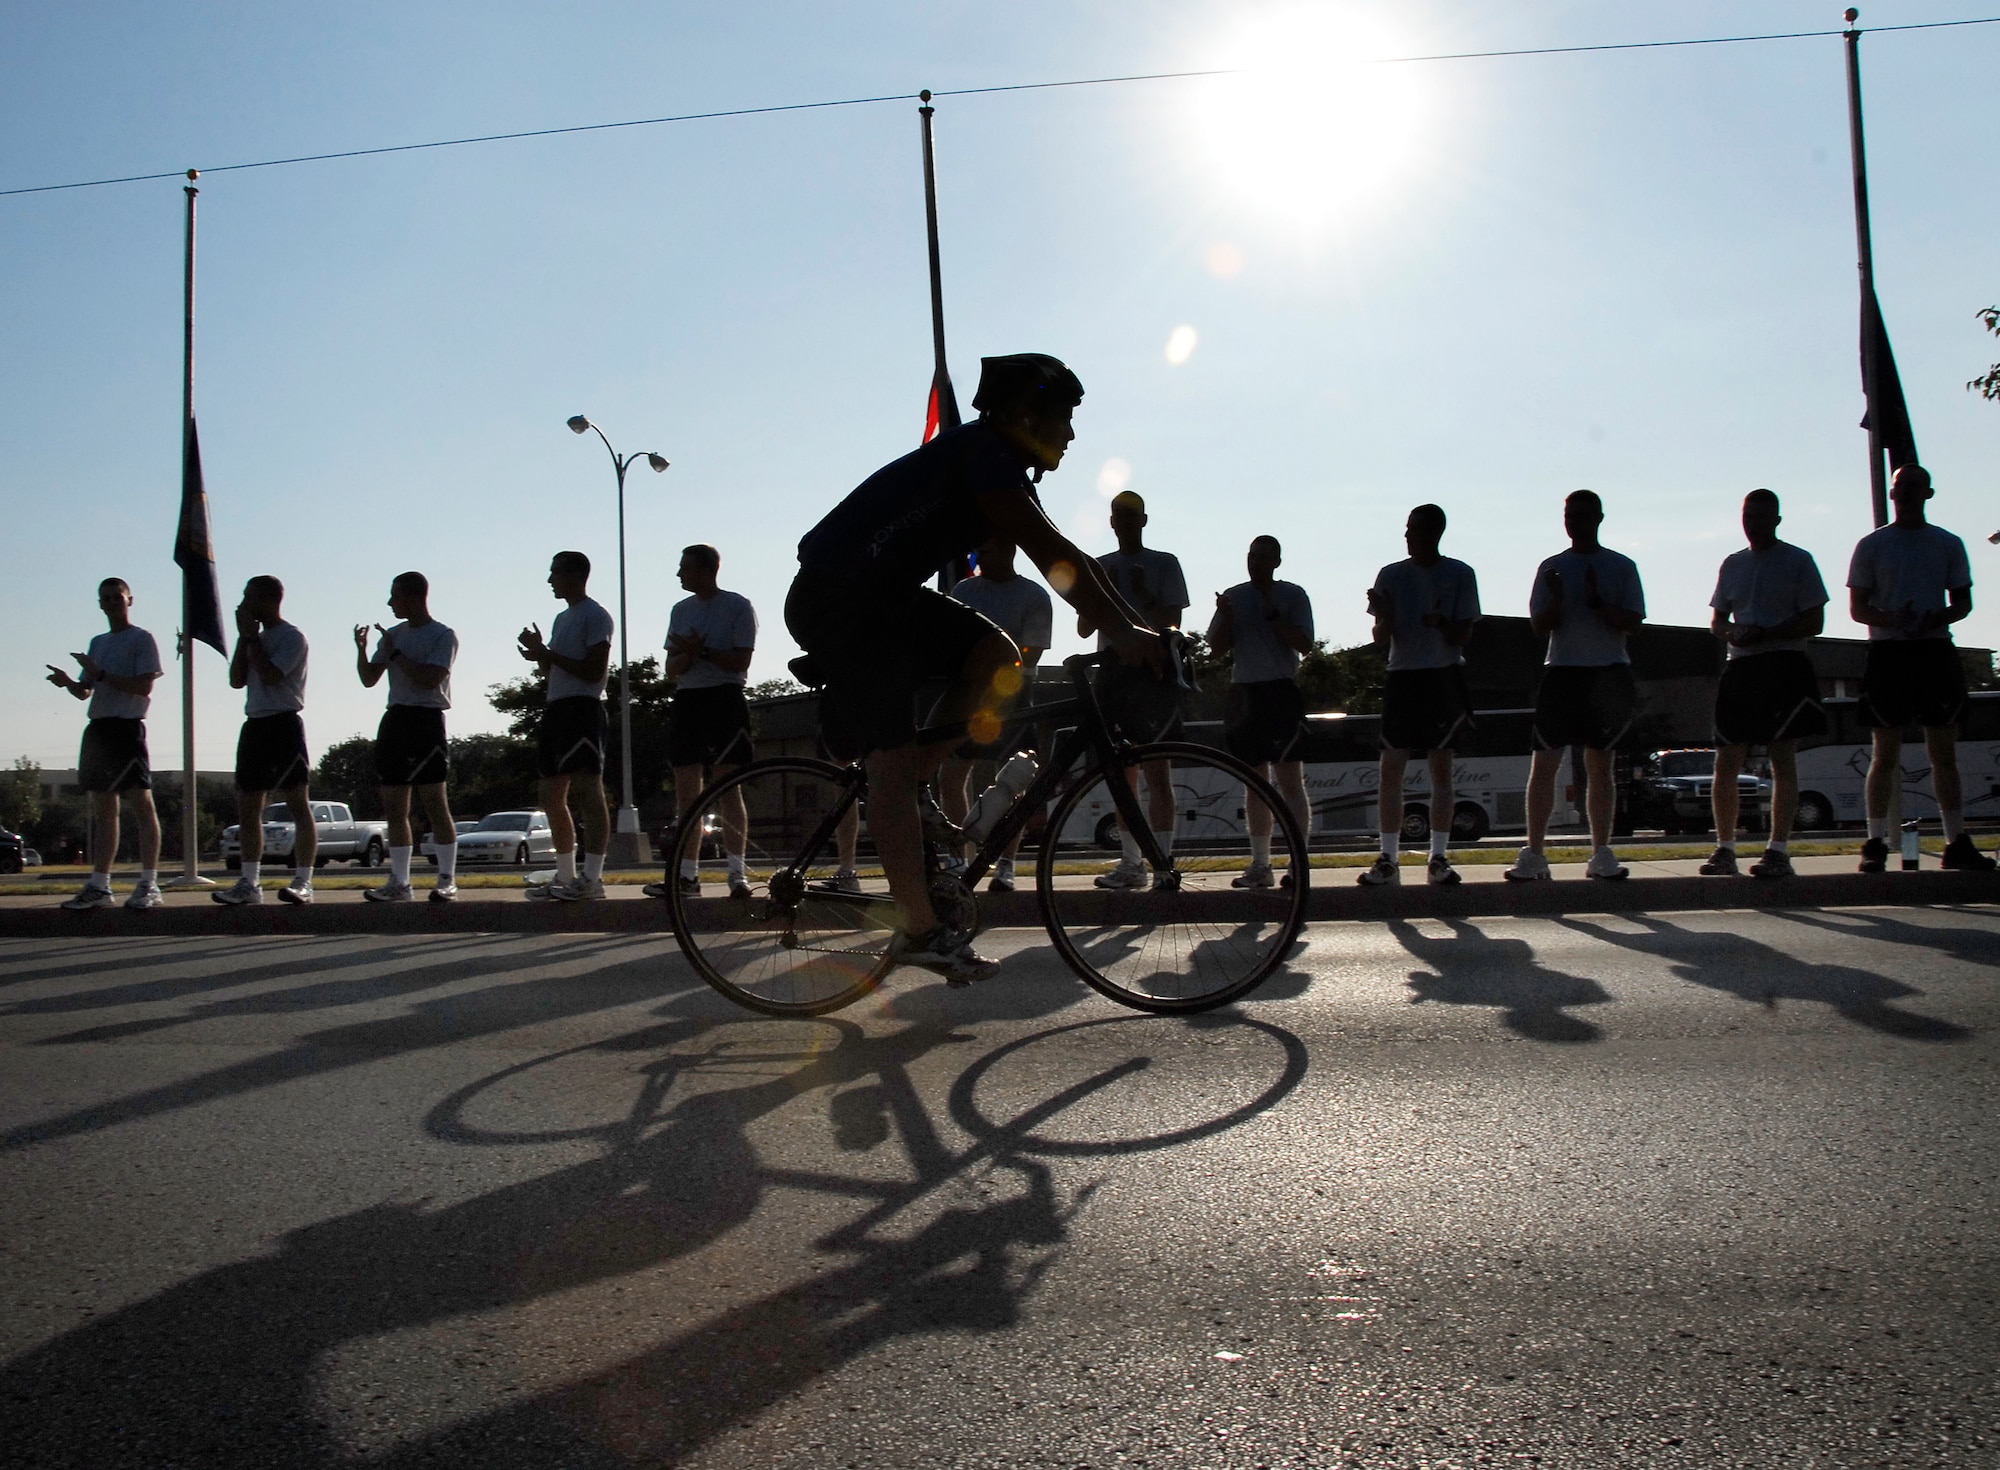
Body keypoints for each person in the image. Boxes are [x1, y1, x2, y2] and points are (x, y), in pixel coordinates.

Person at [786, 352, 1162, 984]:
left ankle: (917, 781)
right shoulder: (981, 453)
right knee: (890, 767)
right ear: (1023, 415)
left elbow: (1071, 558)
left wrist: (1135, 627)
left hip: (883, 596)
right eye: (1063, 419)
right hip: (840, 598)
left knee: (997, 656)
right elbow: (1052, 553)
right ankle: (918, 928)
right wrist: (1124, 630)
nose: (1070, 435)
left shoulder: (1000, 461)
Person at [1847, 463, 1994, 872]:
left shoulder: (1947, 544)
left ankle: (1956, 840)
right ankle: (1874, 842)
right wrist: (1896, 620)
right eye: (1899, 489)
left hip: (1934, 651)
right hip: (1889, 654)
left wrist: (1933, 618)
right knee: (1884, 753)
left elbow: (1963, 603)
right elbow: (1858, 608)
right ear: (1892, 495)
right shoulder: (1872, 545)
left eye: (1914, 488)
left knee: (1943, 753)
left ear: (1928, 494)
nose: (1906, 495)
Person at [1506, 490, 1645, 883]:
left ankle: (1601, 852)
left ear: (1599, 518)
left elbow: (1634, 622)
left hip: (1607, 672)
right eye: (1569, 514)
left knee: (1600, 765)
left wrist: (1600, 602)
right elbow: (1538, 626)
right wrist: (1560, 598)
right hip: (1561, 671)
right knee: (1545, 763)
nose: (1575, 521)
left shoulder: (1621, 566)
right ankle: (1534, 853)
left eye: (1582, 514)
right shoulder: (1552, 568)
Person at [1702, 490, 1829, 880]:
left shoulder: (1798, 560)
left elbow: (1814, 621)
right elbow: (1717, 621)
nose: (1753, 523)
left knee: (1782, 759)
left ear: (1776, 519)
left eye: (1760, 516)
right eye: (1747, 516)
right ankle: (1725, 849)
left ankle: (1778, 850)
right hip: (1741, 668)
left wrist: (1769, 633)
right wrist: (1734, 633)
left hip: (1784, 666)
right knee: (1727, 760)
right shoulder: (1733, 563)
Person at [1363, 504, 1480, 886]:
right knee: (1390, 768)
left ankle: (1439, 857)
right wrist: (1386, 613)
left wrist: (1441, 622)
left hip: (1442, 676)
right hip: (1402, 676)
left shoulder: (1460, 573)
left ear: (1434, 532)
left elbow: (1463, 635)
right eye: (1407, 529)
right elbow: (1380, 637)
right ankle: (1388, 858)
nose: (1407, 536)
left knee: (1441, 769)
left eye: (1414, 529)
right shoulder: (1391, 575)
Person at [1077, 489, 1188, 890]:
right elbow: (1084, 629)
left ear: (1143, 520)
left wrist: (1142, 593)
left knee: (1159, 769)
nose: (1124, 523)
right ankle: (1130, 862)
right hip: (1112, 671)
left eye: (1132, 516)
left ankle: (1163, 861)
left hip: (1153, 670)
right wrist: (1101, 590)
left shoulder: (1164, 563)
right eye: (1118, 516)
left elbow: (1171, 621)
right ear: (1111, 522)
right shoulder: (1100, 567)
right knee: (1122, 772)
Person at [943, 533, 1054, 892]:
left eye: (985, 550)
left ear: (1009, 549)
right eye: (976, 550)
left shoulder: (1033, 595)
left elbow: (1032, 652)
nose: (979, 558)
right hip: (970, 693)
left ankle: (1006, 864)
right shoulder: (963, 591)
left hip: (1013, 694)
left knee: (1011, 782)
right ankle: (962, 857)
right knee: (951, 775)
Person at [45, 578, 163, 910]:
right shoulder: (98, 642)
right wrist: (69, 681)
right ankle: (100, 885)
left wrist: (98, 674)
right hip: (98, 729)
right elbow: (86, 691)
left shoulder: (142, 639)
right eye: (106, 598)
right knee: (103, 811)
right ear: (100, 603)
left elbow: (143, 687)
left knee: (141, 804)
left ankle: (149, 883)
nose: (111, 602)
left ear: (130, 600)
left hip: (127, 729)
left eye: (117, 597)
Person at [1207, 535, 1315, 887]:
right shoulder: (1234, 596)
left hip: (1281, 690)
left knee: (1289, 782)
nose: (1257, 562)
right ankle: (1260, 864)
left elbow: (1305, 644)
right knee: (1255, 783)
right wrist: (1224, 617)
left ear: (1277, 562)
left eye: (1265, 557)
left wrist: (1274, 616)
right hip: (1245, 692)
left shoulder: (1293, 595)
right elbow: (1217, 650)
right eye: (1253, 555)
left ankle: (1297, 864)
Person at [354, 571, 460, 902]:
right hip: (395, 719)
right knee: (394, 806)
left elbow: (430, 678)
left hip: (426, 719)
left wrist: (396, 653)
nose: (389, 602)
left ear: (414, 597)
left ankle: (446, 879)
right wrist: (363, 649)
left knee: (434, 802)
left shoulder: (443, 635)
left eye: (395, 596)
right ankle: (400, 881)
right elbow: (369, 679)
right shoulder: (394, 635)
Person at [660, 544, 758, 901]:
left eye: (685, 567)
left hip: (725, 699)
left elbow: (740, 661)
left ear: (706, 569)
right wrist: (687, 653)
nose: (679, 575)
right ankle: (687, 876)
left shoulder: (737, 606)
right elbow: (671, 668)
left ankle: (737, 873)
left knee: (729, 787)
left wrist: (703, 650)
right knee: (688, 792)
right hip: (689, 700)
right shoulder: (680, 610)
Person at [516, 551, 614, 901]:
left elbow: (593, 670)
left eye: (554, 573)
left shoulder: (596, 615)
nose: (550, 580)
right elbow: (555, 671)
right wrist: (541, 654)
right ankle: (566, 874)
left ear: (574, 575)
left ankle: (593, 878)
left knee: (589, 791)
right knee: (551, 796)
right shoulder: (562, 618)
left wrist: (549, 653)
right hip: (557, 709)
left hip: (583, 710)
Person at [213, 576, 316, 905]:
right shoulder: (251, 638)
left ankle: (303, 880)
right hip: (255, 723)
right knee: (248, 807)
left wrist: (251, 639)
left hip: (283, 722)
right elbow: (235, 680)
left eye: (250, 596)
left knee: (297, 803)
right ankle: (249, 882)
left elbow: (272, 675)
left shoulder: (292, 637)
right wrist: (245, 641)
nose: (244, 602)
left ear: (271, 599)